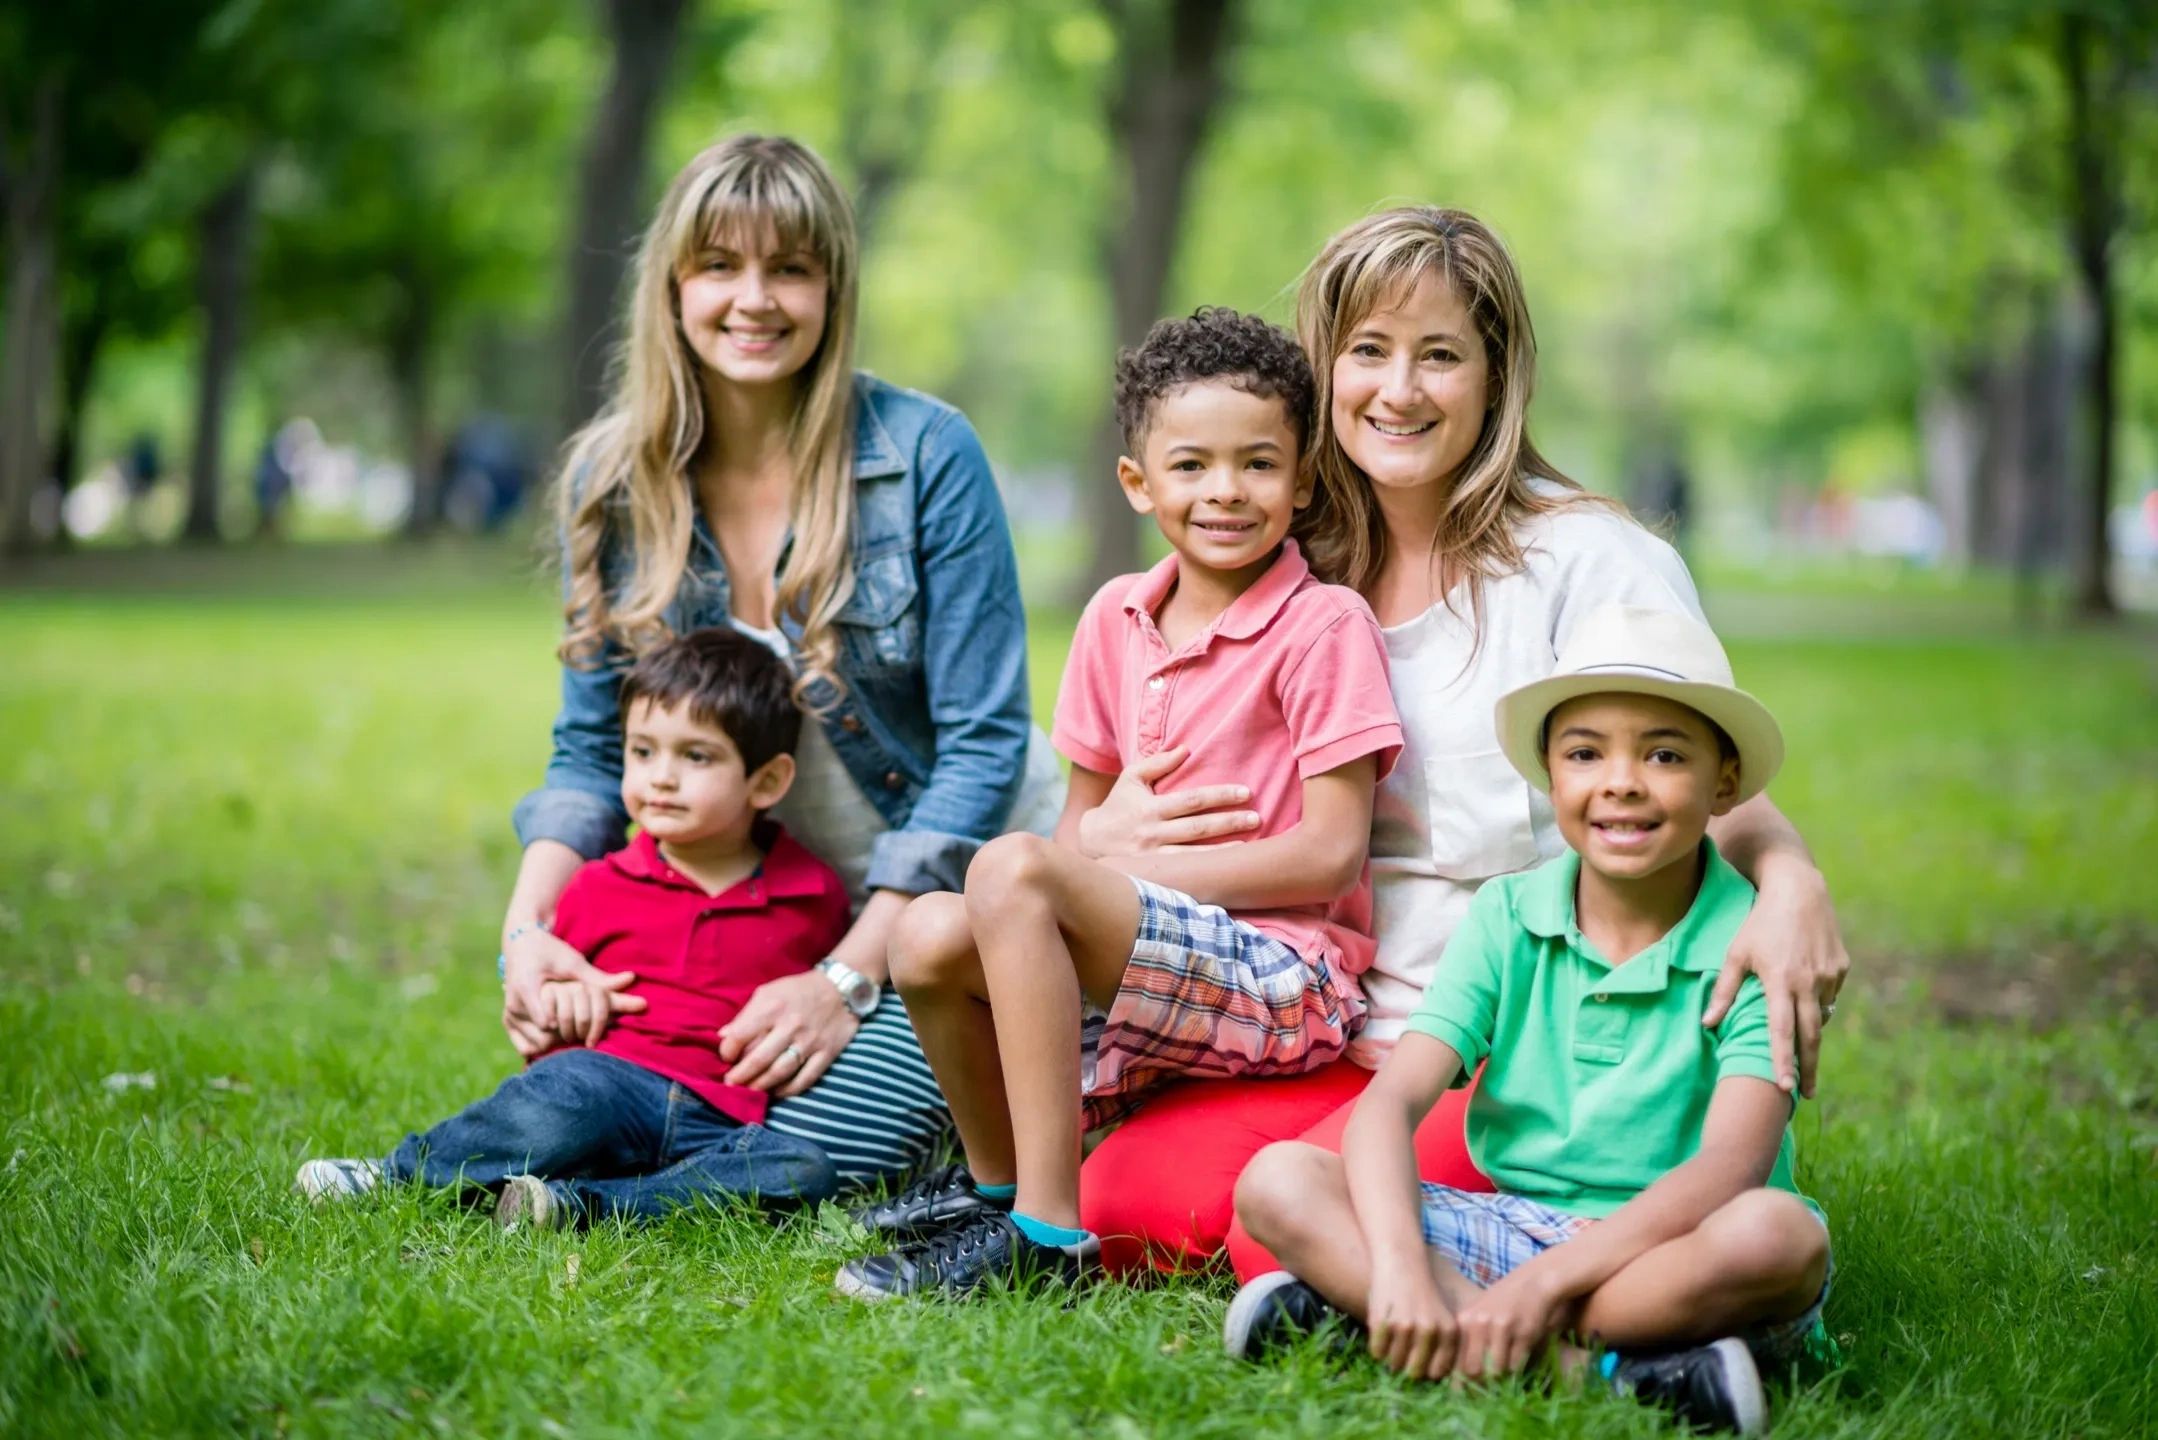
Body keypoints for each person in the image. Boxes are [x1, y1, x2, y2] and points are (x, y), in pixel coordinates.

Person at [1073, 208, 1851, 1278]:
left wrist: (1795, 881)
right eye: (1367, 352)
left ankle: (1514, 1289)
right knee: (1119, 1203)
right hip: (1334, 1025)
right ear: (1323, 370)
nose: (1399, 390)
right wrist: (1106, 833)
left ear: (1495, 377)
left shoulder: (1586, 560)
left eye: (1439, 354)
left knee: (1278, 1233)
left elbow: (1705, 777)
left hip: (1507, 1043)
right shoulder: (1292, 567)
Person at [498, 134, 1060, 1191]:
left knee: (828, 1144)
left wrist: (846, 976)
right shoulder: (614, 478)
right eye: (720, 264)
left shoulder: (927, 455)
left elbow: (984, 746)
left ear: (831, 290)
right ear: (672, 284)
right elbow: (584, 756)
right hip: (757, 913)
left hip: (949, 906)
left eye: (789, 268)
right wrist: (528, 939)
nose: (752, 299)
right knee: (616, 1092)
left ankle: (594, 1213)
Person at [832, 309, 1402, 1300]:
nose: (1223, 490)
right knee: (924, 934)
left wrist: (1120, 869)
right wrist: (1092, 861)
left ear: (1303, 478)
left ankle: (1050, 1240)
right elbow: (1069, 840)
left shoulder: (1322, 625)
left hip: (1285, 974)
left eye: (1257, 464)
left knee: (1005, 870)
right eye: (1190, 465)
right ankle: (995, 1188)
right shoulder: (1114, 619)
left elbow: (1330, 856)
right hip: (1152, 957)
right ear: (1138, 482)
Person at [1226, 604, 1829, 1436]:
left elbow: (1731, 1168)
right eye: (1586, 753)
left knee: (1781, 1237)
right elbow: (1392, 1106)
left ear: (1725, 785)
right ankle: (1593, 1373)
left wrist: (1541, 1290)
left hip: (1673, 1248)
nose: (1621, 781)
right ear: (1550, 775)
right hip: (1510, 1226)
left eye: (1663, 753)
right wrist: (1402, 1261)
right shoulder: (1510, 915)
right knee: (1279, 1180)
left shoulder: (1755, 939)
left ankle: (1384, 1326)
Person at [295, 629, 848, 1224]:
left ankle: (575, 1205)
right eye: (642, 751)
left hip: (719, 1119)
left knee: (803, 1170)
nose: (661, 776)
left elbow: (820, 1006)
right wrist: (562, 999)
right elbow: (552, 996)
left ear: (766, 781)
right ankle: (398, 1176)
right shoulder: (598, 886)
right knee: (561, 1105)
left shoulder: (813, 895)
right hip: (605, 1084)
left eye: (696, 756)